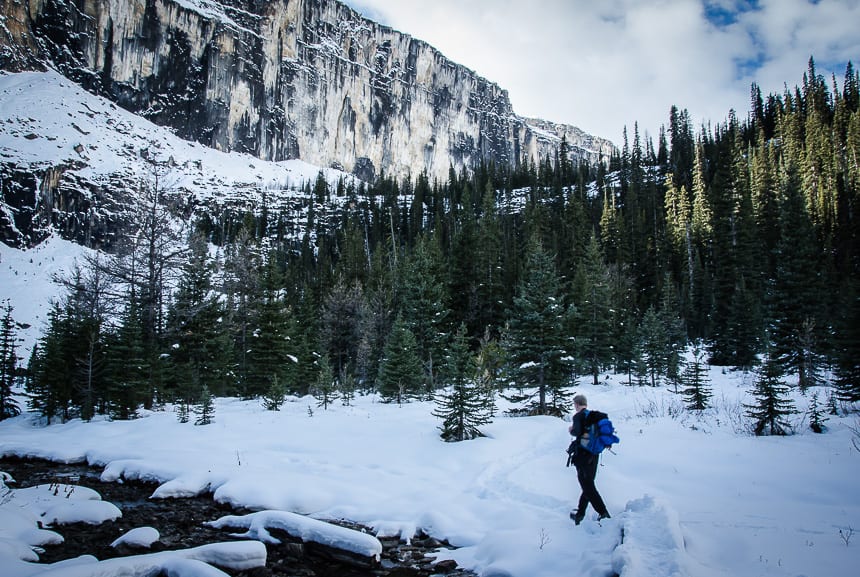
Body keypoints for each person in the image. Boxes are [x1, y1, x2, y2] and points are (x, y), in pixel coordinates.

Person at [568, 394, 610, 525]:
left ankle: (603, 513)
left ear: (577, 404)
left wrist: (571, 430)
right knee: (588, 484)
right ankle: (580, 513)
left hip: (583, 455)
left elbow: (577, 432)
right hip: (595, 454)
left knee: (587, 485)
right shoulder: (594, 416)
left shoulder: (578, 416)